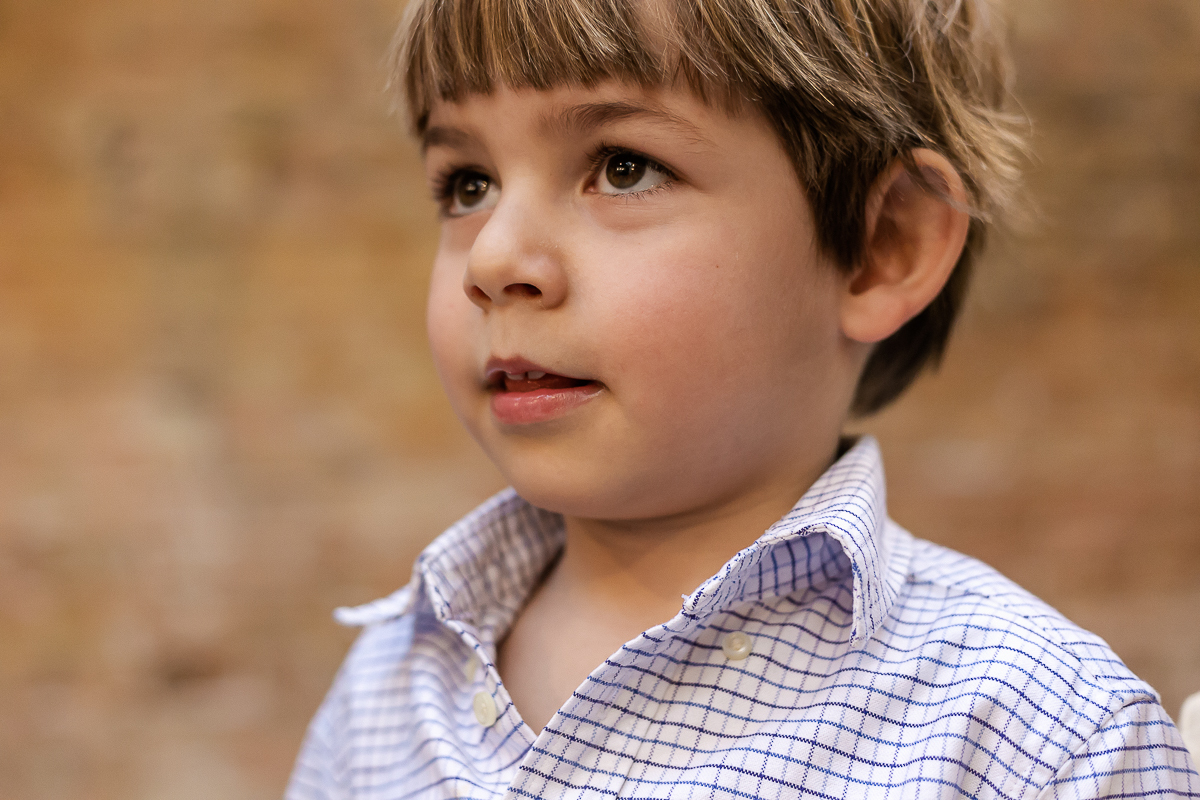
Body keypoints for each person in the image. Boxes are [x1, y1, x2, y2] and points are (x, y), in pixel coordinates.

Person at [286, 0, 1200, 797]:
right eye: (468, 184)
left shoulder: (1036, 737)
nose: (492, 260)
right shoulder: (388, 687)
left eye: (623, 166)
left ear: (884, 244)